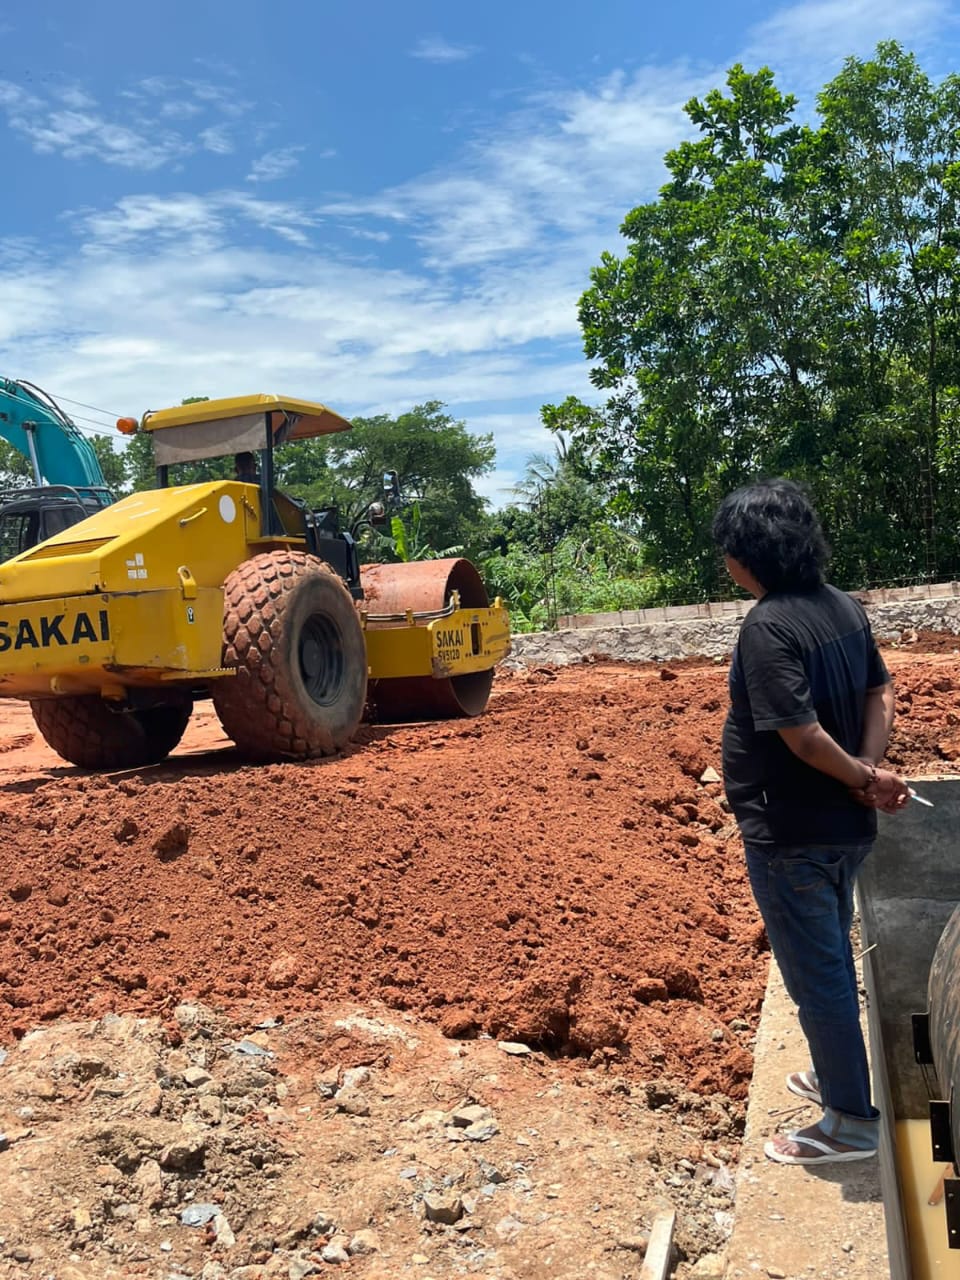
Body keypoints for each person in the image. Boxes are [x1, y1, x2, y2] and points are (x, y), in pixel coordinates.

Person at [712, 478, 909, 1165]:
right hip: (845, 830)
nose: (726, 566)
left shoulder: (767, 626)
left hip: (792, 835)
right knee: (824, 960)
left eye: (728, 554)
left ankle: (850, 1122)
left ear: (749, 556)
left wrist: (862, 775)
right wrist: (870, 771)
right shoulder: (842, 607)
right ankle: (837, 1074)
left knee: (817, 974)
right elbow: (879, 691)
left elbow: (800, 735)